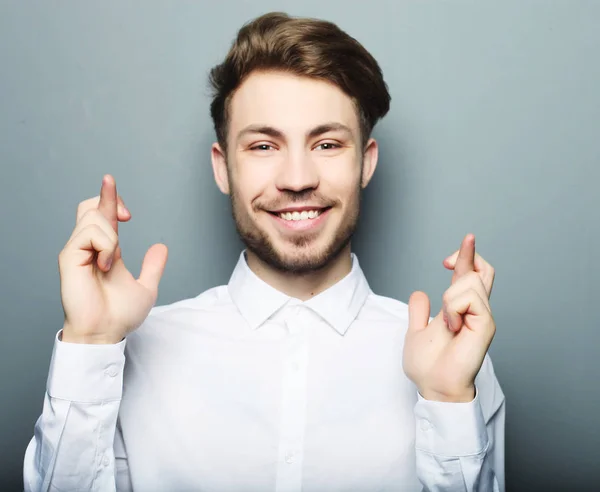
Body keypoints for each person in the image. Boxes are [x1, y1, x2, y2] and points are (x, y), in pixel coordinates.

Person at [23, 11, 505, 492]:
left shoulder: (452, 361)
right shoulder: (127, 355)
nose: (297, 178)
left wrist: (446, 401)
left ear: (366, 162)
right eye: (262, 146)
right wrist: (88, 346)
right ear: (223, 168)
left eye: (328, 143)